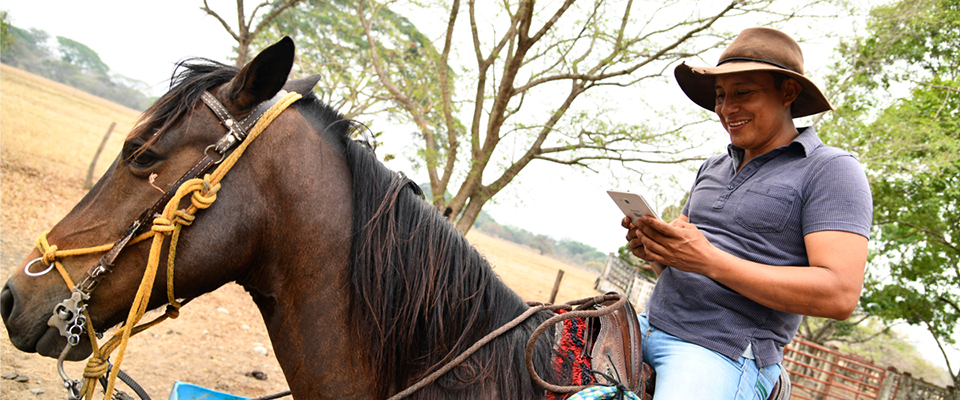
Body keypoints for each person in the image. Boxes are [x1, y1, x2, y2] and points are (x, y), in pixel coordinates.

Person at [621, 27, 873, 399]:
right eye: (721, 96)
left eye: (743, 93)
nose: (726, 109)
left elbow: (839, 295)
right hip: (645, 324)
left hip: (721, 352)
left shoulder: (830, 170)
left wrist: (709, 260)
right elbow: (689, 267)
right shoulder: (712, 167)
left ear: (788, 92)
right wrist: (660, 251)